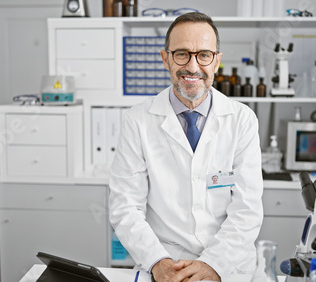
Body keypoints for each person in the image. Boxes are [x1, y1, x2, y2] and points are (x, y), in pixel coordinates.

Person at [109, 12, 263, 282]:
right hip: (167, 264)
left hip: (229, 266)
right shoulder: (138, 120)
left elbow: (247, 209)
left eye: (203, 55)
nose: (192, 67)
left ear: (216, 60)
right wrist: (159, 262)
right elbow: (125, 206)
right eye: (182, 54)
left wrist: (213, 265)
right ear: (165, 58)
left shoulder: (242, 119)